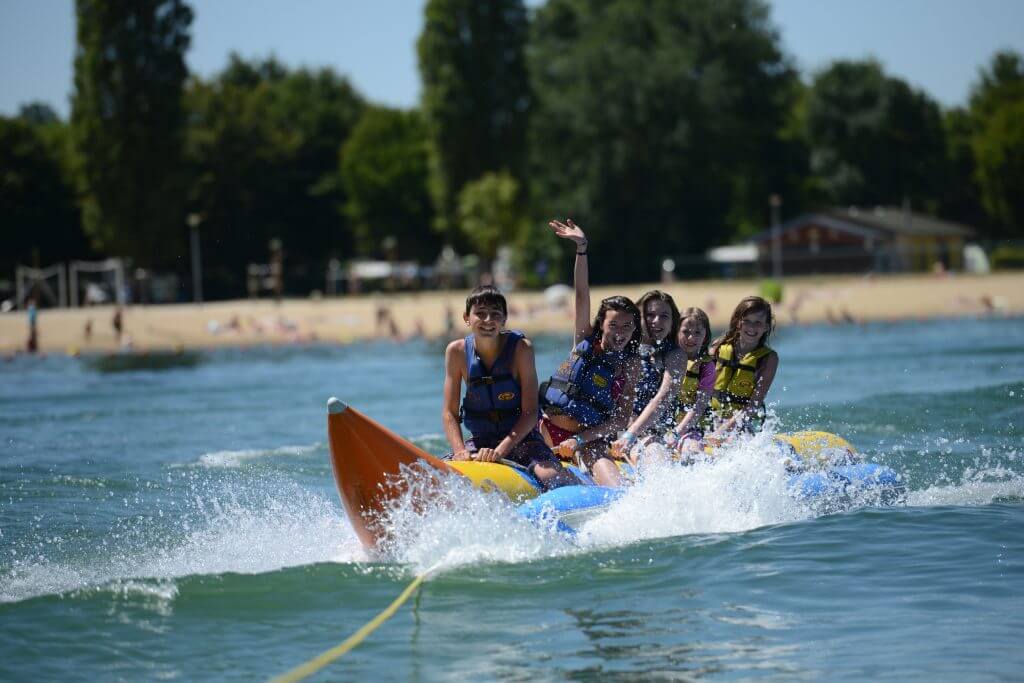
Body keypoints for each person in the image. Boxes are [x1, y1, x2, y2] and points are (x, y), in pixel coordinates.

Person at [442, 285, 577, 489]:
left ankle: (574, 480)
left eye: (495, 314)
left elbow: (530, 412)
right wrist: (460, 451)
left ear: (504, 319)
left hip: (524, 440)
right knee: (439, 476)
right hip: (481, 441)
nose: (488, 320)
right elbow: (449, 413)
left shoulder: (521, 349)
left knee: (550, 477)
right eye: (480, 313)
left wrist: (500, 451)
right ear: (466, 318)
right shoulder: (456, 351)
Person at [540, 219, 642, 487]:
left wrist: (580, 440)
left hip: (588, 438)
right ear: (601, 325)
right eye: (613, 325)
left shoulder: (630, 365)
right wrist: (581, 249)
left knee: (602, 466)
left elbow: (620, 419)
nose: (620, 332)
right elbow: (581, 295)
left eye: (627, 326)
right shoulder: (585, 338)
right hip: (544, 429)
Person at [609, 290, 686, 461]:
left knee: (654, 452)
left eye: (664, 316)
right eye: (650, 315)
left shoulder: (675, 355)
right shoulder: (621, 350)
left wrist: (631, 435)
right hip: (618, 429)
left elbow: (663, 397)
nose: (656, 321)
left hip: (652, 434)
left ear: (673, 322)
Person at [708, 296, 779, 437]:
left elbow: (754, 404)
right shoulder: (718, 348)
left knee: (730, 441)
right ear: (738, 323)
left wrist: (724, 430)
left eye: (758, 323)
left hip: (742, 423)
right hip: (711, 419)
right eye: (747, 321)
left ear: (766, 327)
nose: (752, 327)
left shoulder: (769, 359)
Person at [665, 307, 715, 454]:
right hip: (662, 426)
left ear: (705, 337)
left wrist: (676, 433)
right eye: (686, 332)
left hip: (691, 428)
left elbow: (699, 406)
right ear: (676, 332)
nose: (691, 338)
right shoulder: (665, 359)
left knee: (692, 451)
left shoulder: (707, 366)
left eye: (697, 333)